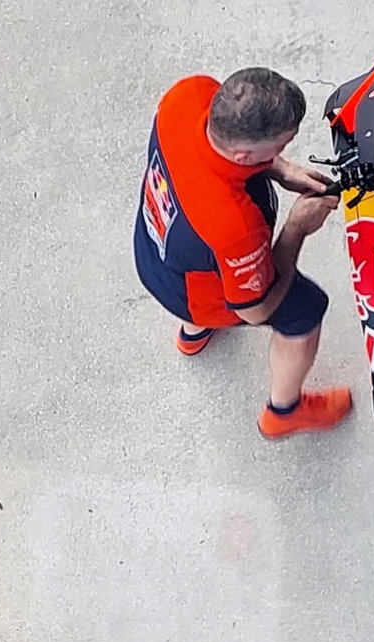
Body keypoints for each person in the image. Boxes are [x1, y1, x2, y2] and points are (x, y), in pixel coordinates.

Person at [134, 68, 354, 440]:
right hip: (200, 292)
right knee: (304, 310)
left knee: (194, 267)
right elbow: (255, 309)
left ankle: (193, 336)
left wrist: (280, 170)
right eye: (280, 147)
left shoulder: (187, 95)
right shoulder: (235, 228)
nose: (282, 153)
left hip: (154, 250)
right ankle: (283, 411)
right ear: (242, 153)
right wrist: (297, 228)